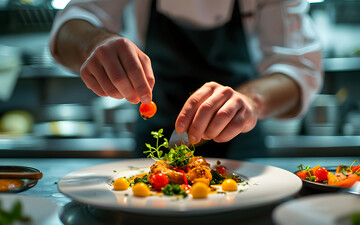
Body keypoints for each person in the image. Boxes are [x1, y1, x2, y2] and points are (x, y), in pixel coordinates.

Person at [49, 0, 323, 159]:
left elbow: (298, 68)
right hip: (157, 140)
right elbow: (72, 22)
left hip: (242, 141)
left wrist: (250, 102)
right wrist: (93, 43)